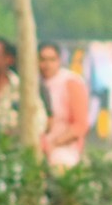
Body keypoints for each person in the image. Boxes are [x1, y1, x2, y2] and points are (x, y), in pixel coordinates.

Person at [37, 41, 91, 169]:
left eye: (52, 60)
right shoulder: (30, 82)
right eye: (42, 60)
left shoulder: (70, 82)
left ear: (59, 60)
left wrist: (53, 144)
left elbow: (80, 126)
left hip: (63, 147)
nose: (47, 65)